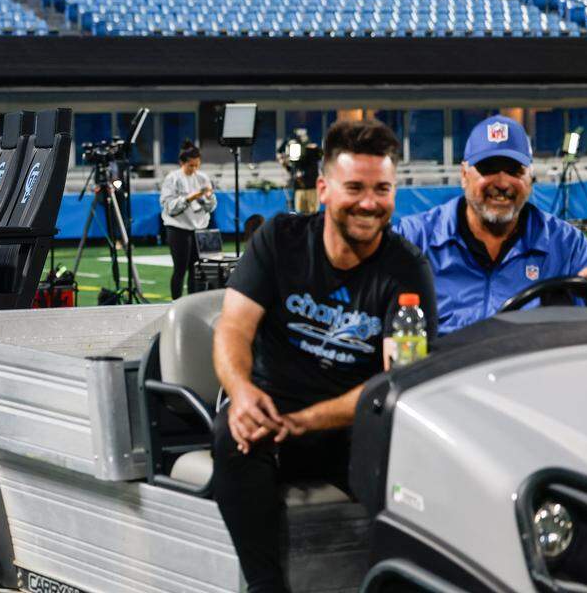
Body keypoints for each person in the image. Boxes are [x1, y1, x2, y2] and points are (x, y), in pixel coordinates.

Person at [210, 118, 437, 593]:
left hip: (353, 426)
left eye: (382, 189)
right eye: (355, 187)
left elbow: (398, 381)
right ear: (324, 189)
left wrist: (307, 421)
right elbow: (233, 326)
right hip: (271, 414)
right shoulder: (280, 239)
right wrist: (243, 392)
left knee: (418, 468)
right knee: (232, 436)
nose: (370, 203)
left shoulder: (406, 269)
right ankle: (264, 586)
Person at [396, 115, 587, 335]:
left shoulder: (567, 246)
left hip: (529, 367)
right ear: (464, 175)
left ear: (530, 178)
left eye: (514, 170)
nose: (502, 183)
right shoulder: (414, 238)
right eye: (488, 168)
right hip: (444, 367)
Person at [160, 140, 216, 299]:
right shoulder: (172, 178)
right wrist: (189, 198)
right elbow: (169, 208)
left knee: (197, 270)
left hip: (199, 229)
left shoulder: (203, 177)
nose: (194, 169)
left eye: (197, 165)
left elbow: (211, 207)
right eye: (191, 165)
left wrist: (208, 198)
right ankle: (176, 304)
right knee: (180, 269)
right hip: (178, 229)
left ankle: (193, 303)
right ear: (181, 163)